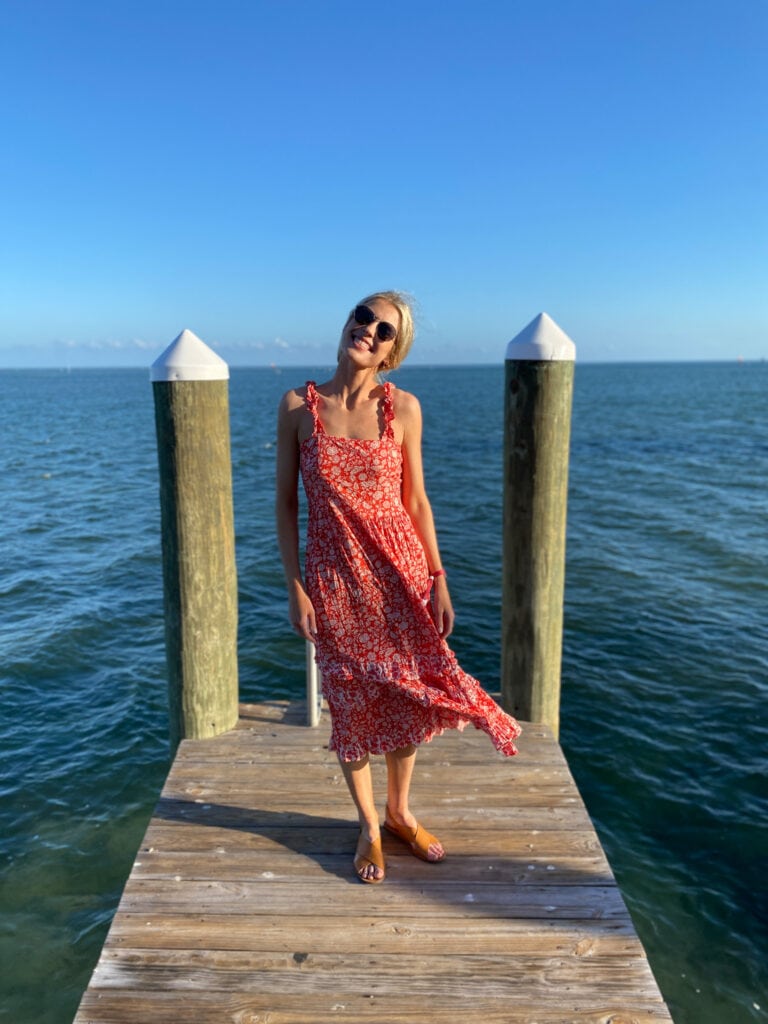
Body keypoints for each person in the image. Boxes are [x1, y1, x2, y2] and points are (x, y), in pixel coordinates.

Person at [275, 291, 521, 884]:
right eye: (364, 316)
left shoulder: (403, 409)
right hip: (334, 583)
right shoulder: (297, 408)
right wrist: (294, 585)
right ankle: (367, 824)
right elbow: (285, 505)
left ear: (393, 351)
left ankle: (399, 811)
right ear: (347, 320)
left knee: (406, 699)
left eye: (385, 330)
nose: (369, 331)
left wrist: (438, 577)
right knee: (352, 705)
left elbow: (415, 501)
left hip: (400, 578)